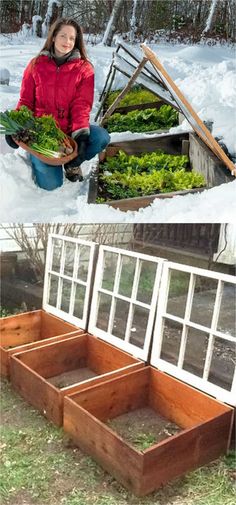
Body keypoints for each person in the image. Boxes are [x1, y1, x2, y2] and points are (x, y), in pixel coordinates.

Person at [5, 17, 110, 190]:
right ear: (53, 37)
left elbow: (81, 105)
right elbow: (26, 101)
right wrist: (16, 126)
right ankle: (37, 157)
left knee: (101, 137)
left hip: (69, 130)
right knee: (52, 185)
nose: (67, 42)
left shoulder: (84, 69)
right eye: (63, 36)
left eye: (71, 38)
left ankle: (71, 164)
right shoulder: (36, 65)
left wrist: (81, 137)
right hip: (42, 133)